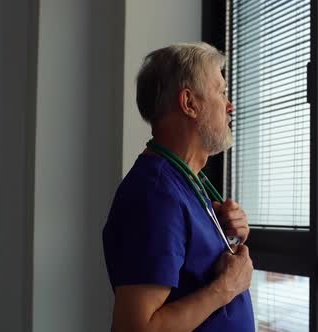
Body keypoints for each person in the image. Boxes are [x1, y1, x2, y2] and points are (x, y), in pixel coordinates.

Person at [102, 42, 255, 332]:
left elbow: (192, 273)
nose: (230, 105)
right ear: (189, 103)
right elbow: (136, 328)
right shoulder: (155, 195)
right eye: (221, 92)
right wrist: (226, 288)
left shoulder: (184, 183)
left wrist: (231, 236)